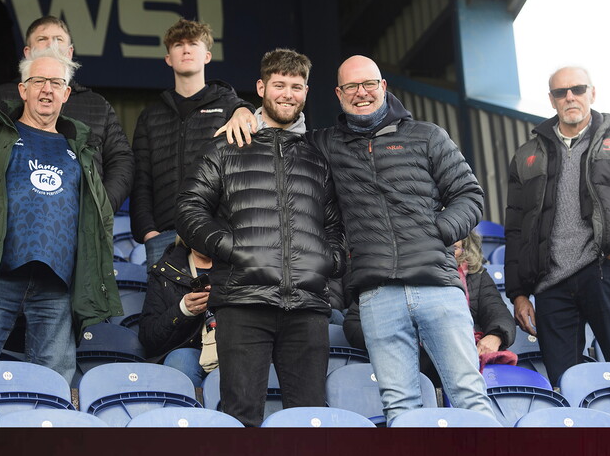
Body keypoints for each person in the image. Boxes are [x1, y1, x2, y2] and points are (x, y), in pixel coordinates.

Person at [304, 55, 497, 425]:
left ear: (383, 86)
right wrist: (244, 113)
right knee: (399, 406)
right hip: (378, 296)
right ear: (338, 94)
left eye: (368, 84)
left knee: (469, 395)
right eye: (351, 86)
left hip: (438, 286)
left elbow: (469, 196)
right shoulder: (326, 144)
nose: (361, 93)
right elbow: (281, 135)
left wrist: (436, 233)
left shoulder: (427, 135)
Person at [0, 46, 124, 386]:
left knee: (53, 387)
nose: (47, 89)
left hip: (57, 286)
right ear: (23, 89)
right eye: (38, 81)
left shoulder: (80, 149)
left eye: (56, 82)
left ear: (66, 93)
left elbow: (101, 217)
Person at [176, 48, 345, 427]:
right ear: (261, 87)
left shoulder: (317, 156)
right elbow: (188, 208)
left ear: (306, 92)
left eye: (297, 87)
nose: (288, 94)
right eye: (279, 85)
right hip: (243, 302)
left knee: (309, 419)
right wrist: (233, 249)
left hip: (307, 306)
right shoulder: (226, 145)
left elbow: (335, 226)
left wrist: (328, 260)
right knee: (241, 417)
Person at [503, 66, 610, 388]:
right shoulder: (527, 155)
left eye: (577, 89)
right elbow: (516, 228)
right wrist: (518, 293)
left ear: (592, 92)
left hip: (604, 272)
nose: (570, 97)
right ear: (551, 100)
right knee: (565, 382)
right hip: (550, 284)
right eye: (560, 92)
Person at [0, 16, 135, 213]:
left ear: (70, 52)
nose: (51, 45)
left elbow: (121, 160)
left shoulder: (98, 105)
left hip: (84, 220)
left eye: (58, 39)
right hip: (15, 217)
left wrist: (99, 210)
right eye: (42, 39)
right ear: (27, 52)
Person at [130, 18, 257, 266]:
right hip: (163, 236)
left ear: (207, 56)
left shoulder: (230, 107)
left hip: (217, 231)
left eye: (193, 44)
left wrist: (243, 108)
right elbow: (140, 181)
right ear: (168, 58)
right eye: (178, 45)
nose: (186, 50)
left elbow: (246, 171)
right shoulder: (150, 116)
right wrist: (148, 232)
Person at [342, 230, 517, 387]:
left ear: (464, 248)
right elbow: (354, 323)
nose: (446, 253)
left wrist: (496, 336)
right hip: (411, 365)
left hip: (465, 356)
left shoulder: (476, 275)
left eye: (454, 248)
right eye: (439, 246)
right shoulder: (392, 274)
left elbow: (499, 313)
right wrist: (400, 341)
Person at [138, 236, 214, 388]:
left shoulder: (241, 265)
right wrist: (183, 310)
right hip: (191, 350)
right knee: (180, 361)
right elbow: (148, 338)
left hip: (235, 343)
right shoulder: (164, 271)